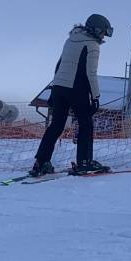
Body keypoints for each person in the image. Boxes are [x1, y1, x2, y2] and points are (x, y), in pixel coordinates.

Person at [29, 14, 114, 177]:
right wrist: (95, 97)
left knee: (56, 125)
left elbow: (59, 65)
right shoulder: (92, 45)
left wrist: (53, 90)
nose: (104, 36)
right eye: (103, 32)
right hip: (77, 88)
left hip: (59, 87)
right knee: (85, 125)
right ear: (96, 30)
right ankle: (84, 162)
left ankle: (41, 162)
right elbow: (91, 73)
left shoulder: (70, 40)